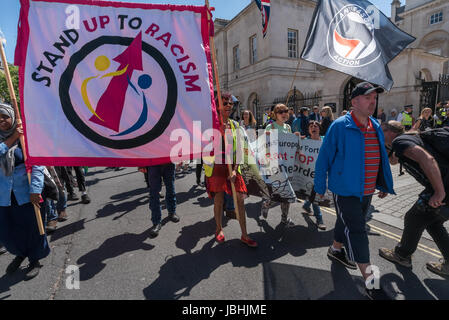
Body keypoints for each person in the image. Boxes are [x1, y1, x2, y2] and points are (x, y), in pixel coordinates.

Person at [314, 82, 394, 300]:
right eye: (368, 97)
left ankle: (336, 250)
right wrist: (319, 188)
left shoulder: (375, 125)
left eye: (375, 98)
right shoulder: (339, 126)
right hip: (345, 190)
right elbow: (323, 160)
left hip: (367, 190)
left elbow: (379, 158)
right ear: (355, 101)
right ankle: (371, 282)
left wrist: (384, 183)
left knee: (345, 221)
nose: (373, 102)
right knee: (358, 232)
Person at [379, 121, 449, 277]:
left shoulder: (400, 141)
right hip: (445, 187)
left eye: (381, 130)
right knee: (434, 224)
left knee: (413, 217)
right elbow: (394, 161)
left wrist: (439, 192)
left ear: (390, 132)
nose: (378, 133)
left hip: (444, 189)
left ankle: (402, 255)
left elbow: (427, 159)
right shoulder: (405, 141)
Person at [0, 103, 50, 280]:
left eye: (4, 116)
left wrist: (36, 189)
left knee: (34, 227)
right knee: (8, 230)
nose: (1, 120)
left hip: (27, 191)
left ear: (12, 116)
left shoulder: (26, 137)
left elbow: (37, 164)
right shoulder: (13, 137)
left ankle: (35, 259)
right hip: (4, 195)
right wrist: (12, 138)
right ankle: (20, 253)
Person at [204, 92, 257, 247]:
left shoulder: (235, 125)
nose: (228, 106)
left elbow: (239, 150)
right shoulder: (211, 124)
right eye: (225, 103)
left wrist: (235, 169)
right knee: (219, 200)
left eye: (230, 104)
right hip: (217, 167)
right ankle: (219, 228)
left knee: (240, 199)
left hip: (232, 167)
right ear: (217, 105)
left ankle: (245, 235)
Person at [261, 104, 300, 226]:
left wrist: (297, 138)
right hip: (274, 164)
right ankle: (266, 204)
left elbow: (290, 145)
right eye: (280, 112)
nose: (284, 114)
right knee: (276, 193)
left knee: (286, 193)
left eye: (286, 111)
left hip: (287, 165)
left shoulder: (288, 127)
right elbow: (265, 146)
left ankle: (284, 218)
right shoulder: (270, 126)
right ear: (275, 114)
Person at [302, 121, 326, 230]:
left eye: (316, 126)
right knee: (315, 194)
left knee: (314, 193)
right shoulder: (305, 141)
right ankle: (319, 219)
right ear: (309, 130)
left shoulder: (325, 140)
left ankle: (306, 205)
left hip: (322, 172)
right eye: (311, 126)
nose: (313, 127)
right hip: (309, 173)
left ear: (319, 129)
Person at [147, 161, 179, 238]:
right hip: (152, 162)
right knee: (154, 194)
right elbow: (141, 148)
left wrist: (179, 159)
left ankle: (172, 212)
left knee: (171, 189)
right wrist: (140, 164)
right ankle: (156, 222)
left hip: (169, 161)